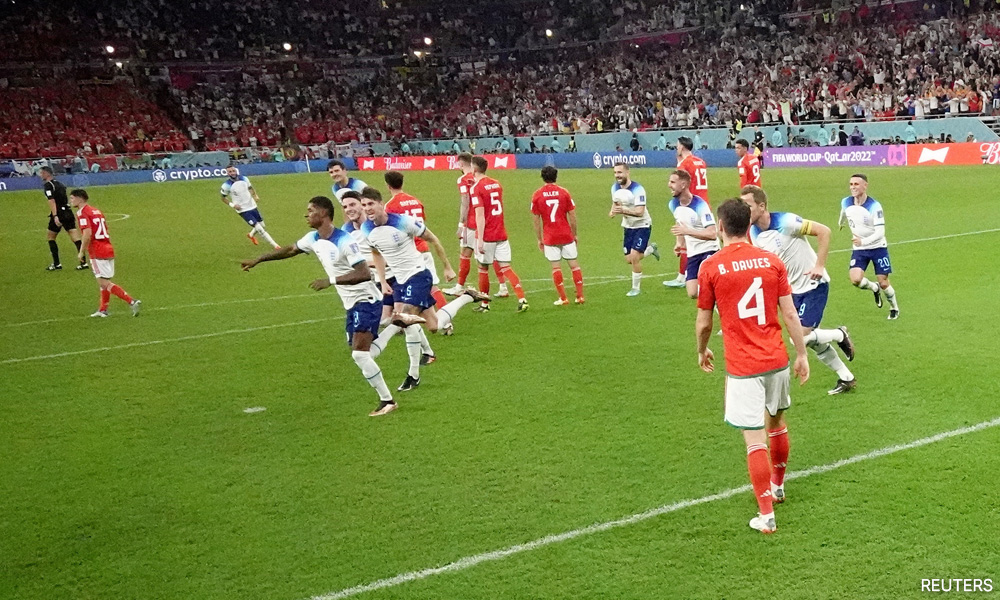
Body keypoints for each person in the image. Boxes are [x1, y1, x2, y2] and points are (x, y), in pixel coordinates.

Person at [696, 199, 810, 535]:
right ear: (749, 225)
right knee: (776, 421)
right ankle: (778, 485)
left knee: (753, 437)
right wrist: (801, 354)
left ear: (720, 226)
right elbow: (790, 313)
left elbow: (704, 322)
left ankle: (766, 515)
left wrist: (702, 351)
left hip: (744, 365)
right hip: (776, 358)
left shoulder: (712, 266)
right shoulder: (771, 261)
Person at [241, 196, 400, 417]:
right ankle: (396, 325)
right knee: (365, 351)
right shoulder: (313, 238)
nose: (307, 215)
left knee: (360, 356)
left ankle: (387, 401)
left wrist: (331, 281)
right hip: (351, 303)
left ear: (324, 214)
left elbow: (364, 273)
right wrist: (259, 259)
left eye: (311, 210)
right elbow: (289, 250)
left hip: (366, 301)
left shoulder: (344, 241)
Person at [360, 187, 489, 391]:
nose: (367, 208)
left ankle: (395, 363)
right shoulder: (367, 229)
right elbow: (377, 254)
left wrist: (446, 266)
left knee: (405, 317)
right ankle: (467, 296)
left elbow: (433, 239)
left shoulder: (403, 221)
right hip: (401, 281)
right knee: (434, 326)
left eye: (370, 204)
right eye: (364, 205)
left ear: (380, 203)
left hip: (419, 274)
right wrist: (383, 281)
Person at [742, 185, 858, 395]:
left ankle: (839, 334)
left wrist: (819, 266)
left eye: (747, 206)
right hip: (791, 291)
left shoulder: (786, 222)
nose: (744, 211)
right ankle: (846, 377)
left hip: (814, 284)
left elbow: (824, 231)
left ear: (762, 206)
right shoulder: (753, 232)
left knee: (800, 337)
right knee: (810, 340)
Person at [383, 171, 449, 312]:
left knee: (404, 285)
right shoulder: (416, 201)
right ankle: (446, 321)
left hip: (409, 251)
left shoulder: (390, 206)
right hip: (424, 246)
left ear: (387, 185)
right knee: (432, 286)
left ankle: (403, 320)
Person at [470, 156, 529, 312]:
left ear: (475, 169)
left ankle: (484, 304)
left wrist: (480, 239)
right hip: (501, 232)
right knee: (506, 268)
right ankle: (522, 299)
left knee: (482, 268)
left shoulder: (476, 188)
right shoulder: (497, 184)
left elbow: (480, 215)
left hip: (488, 234)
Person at [69, 189, 141, 317]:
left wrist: (81, 251)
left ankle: (131, 301)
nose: (71, 201)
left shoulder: (82, 213)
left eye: (72, 198)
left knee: (103, 282)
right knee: (105, 281)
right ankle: (103, 310)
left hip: (96, 250)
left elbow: (87, 233)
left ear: (80, 199)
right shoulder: (96, 211)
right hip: (107, 246)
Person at [445, 153, 508, 298]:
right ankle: (503, 286)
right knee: (494, 255)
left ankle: (459, 287)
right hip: (488, 222)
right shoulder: (481, 178)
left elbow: (465, 202)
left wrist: (461, 223)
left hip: (472, 222)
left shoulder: (463, 180)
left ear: (461, 164)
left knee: (465, 253)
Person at [839, 174, 899, 319]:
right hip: (860, 249)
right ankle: (873, 287)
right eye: (851, 184)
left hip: (878, 248)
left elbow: (880, 232)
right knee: (855, 280)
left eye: (856, 184)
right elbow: (843, 212)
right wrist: (840, 222)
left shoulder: (874, 206)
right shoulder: (846, 202)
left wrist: (863, 242)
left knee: (884, 282)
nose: (853, 187)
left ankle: (894, 308)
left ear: (865, 186)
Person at [530, 166, 585, 305]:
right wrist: (575, 234)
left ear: (542, 177)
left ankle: (563, 298)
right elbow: (572, 215)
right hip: (566, 234)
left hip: (550, 236)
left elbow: (536, 219)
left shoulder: (537, 194)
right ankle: (580, 296)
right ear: (556, 176)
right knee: (574, 265)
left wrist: (539, 238)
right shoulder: (564, 193)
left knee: (556, 267)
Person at [667, 170, 719, 299]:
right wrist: (679, 243)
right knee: (692, 293)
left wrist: (687, 232)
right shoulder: (673, 204)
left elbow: (713, 233)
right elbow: (680, 224)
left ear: (683, 185)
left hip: (709, 251)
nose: (669, 185)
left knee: (705, 287)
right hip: (693, 253)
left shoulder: (700, 205)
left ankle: (720, 303)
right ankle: (718, 298)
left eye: (673, 182)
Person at [610, 162, 659, 297]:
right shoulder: (615, 188)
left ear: (627, 172)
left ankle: (635, 288)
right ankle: (651, 249)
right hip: (628, 226)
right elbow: (616, 202)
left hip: (642, 225)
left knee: (634, 257)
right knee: (629, 259)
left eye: (620, 172)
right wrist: (613, 211)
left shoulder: (638, 189)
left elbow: (640, 212)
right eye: (615, 173)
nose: (617, 176)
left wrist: (623, 210)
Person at [666, 136, 709, 288]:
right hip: (704, 203)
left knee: (685, 239)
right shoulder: (700, 161)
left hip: (691, 205)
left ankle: (682, 277)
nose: (676, 148)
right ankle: (690, 275)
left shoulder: (685, 163)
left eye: (677, 146)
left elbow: (681, 184)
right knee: (699, 239)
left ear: (682, 147)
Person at [220, 166, 280, 249]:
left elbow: (250, 188)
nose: (232, 173)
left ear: (236, 171)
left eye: (233, 171)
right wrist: (233, 205)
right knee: (259, 228)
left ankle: (251, 235)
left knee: (262, 225)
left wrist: (255, 196)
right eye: (230, 171)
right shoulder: (226, 185)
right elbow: (223, 198)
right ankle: (276, 246)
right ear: (227, 173)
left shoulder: (244, 178)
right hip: (243, 210)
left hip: (252, 205)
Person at [40, 166, 87, 271]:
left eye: (42, 173)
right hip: (68, 212)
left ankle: (57, 264)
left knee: (51, 237)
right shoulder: (60, 184)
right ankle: (83, 262)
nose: (40, 175)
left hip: (59, 213)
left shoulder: (48, 185)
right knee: (75, 236)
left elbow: (51, 201)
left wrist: (55, 215)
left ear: (47, 174)